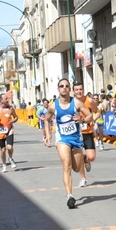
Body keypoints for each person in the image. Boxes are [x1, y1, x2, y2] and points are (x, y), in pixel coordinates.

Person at [43, 79, 93, 209]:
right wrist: (48, 135)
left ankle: (83, 161)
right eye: (61, 86)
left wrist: (81, 119)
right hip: (62, 139)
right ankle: (70, 196)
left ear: (69, 89)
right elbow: (46, 119)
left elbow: (90, 116)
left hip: (76, 138)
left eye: (66, 86)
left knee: (76, 168)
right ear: (58, 89)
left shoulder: (76, 103)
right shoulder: (53, 106)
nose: (64, 88)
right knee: (66, 164)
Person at [73, 82, 99, 187]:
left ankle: (86, 159)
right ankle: (83, 178)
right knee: (77, 158)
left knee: (91, 157)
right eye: (77, 90)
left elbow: (97, 112)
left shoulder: (89, 100)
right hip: (75, 133)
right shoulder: (71, 102)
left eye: (81, 89)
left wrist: (93, 119)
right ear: (73, 91)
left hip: (87, 132)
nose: (79, 91)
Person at [0, 93, 19, 173]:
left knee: (9, 147)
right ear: (1, 100)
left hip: (9, 130)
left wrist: (12, 121)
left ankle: (10, 158)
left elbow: (16, 117)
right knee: (3, 150)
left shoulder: (10, 108)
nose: (8, 99)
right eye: (6, 98)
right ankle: (4, 165)